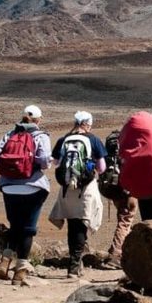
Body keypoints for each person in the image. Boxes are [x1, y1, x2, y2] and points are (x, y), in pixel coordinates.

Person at [0, 105, 52, 285]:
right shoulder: (41, 136)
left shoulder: (10, 134)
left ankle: (5, 259)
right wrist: (29, 162)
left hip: (8, 186)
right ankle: (20, 271)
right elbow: (44, 162)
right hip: (33, 187)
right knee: (28, 228)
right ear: (39, 120)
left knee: (15, 225)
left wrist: (12, 165)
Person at [49, 111, 106, 278]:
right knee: (82, 225)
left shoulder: (63, 139)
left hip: (67, 189)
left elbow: (55, 163)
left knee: (72, 225)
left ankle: (75, 263)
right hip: (86, 187)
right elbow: (101, 167)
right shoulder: (93, 139)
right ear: (87, 124)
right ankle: (74, 267)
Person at [102, 131, 138, 268]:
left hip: (113, 188)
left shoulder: (111, 152)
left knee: (123, 218)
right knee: (125, 220)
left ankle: (120, 251)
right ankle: (116, 255)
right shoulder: (129, 151)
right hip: (127, 190)